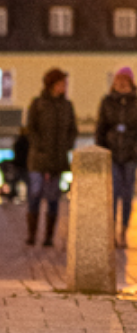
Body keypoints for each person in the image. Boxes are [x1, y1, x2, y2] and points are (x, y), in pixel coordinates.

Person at [95, 67, 137, 248]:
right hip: (112, 154)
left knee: (127, 195)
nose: (121, 84)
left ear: (130, 83)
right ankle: (110, 232)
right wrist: (102, 149)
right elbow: (101, 128)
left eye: (124, 81)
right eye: (118, 81)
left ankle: (123, 231)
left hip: (131, 155)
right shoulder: (107, 102)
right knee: (113, 193)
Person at [25, 68, 77, 247]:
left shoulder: (66, 106)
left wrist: (66, 146)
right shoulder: (38, 104)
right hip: (39, 159)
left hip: (57, 160)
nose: (65, 87)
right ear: (52, 85)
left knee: (54, 198)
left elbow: (72, 130)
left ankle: (48, 237)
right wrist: (40, 149)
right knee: (35, 195)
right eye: (62, 83)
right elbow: (31, 129)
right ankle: (32, 235)